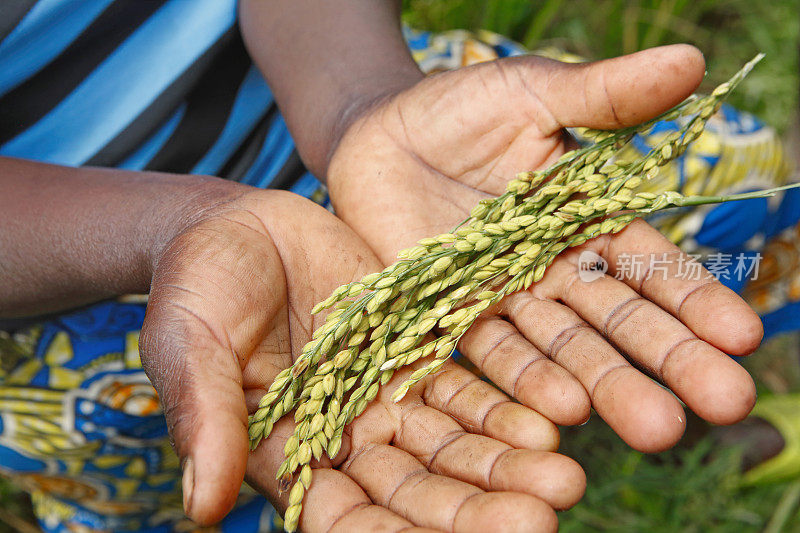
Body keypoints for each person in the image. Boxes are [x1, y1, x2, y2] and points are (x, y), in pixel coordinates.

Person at [0, 1, 764, 531]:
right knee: (184, 480)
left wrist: (355, 108)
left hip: (364, 113)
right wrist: (174, 228)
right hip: (61, 278)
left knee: (713, 201)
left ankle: (682, 410)